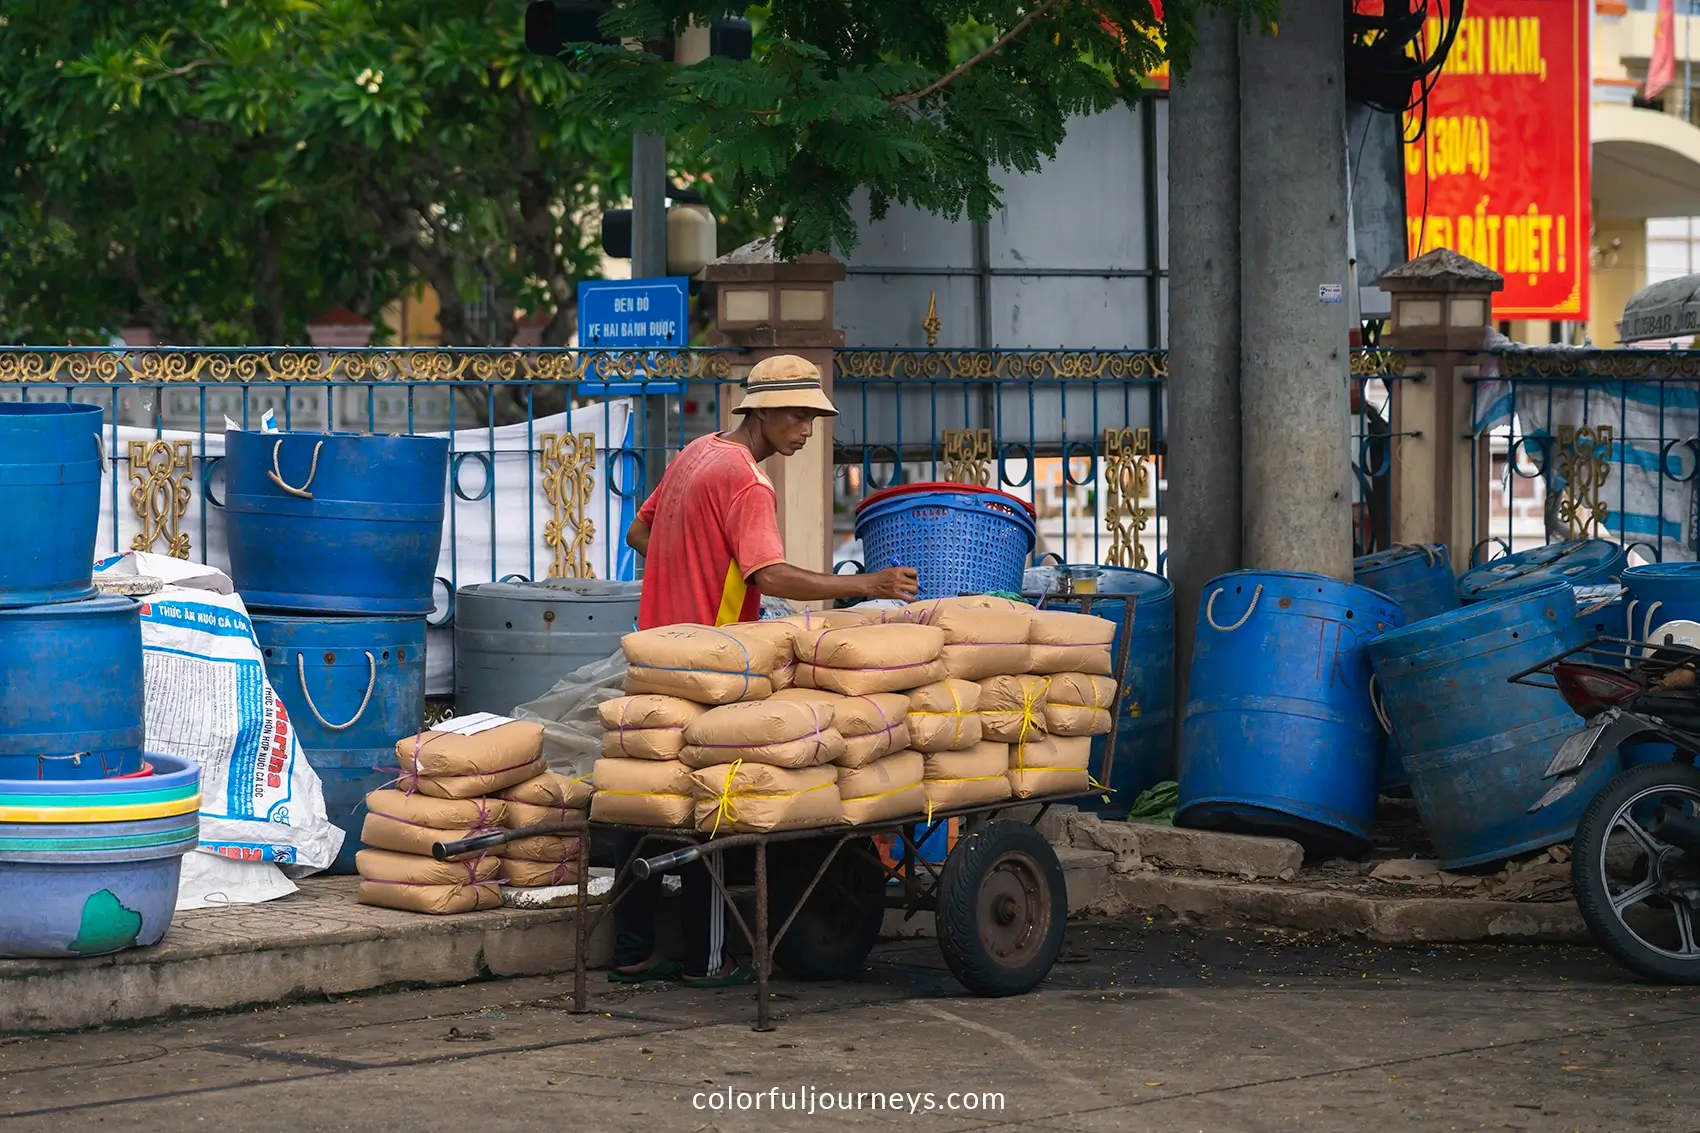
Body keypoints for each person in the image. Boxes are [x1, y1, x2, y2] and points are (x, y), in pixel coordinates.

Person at [611, 354, 918, 987]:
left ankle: (632, 950)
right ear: (766, 411)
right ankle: (708, 959)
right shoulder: (747, 480)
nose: (808, 430)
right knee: (715, 803)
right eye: (800, 416)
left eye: (812, 417)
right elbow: (769, 574)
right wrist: (866, 583)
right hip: (710, 664)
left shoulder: (697, 452)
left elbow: (642, 533)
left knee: (646, 798)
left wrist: (690, 572)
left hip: (655, 650)